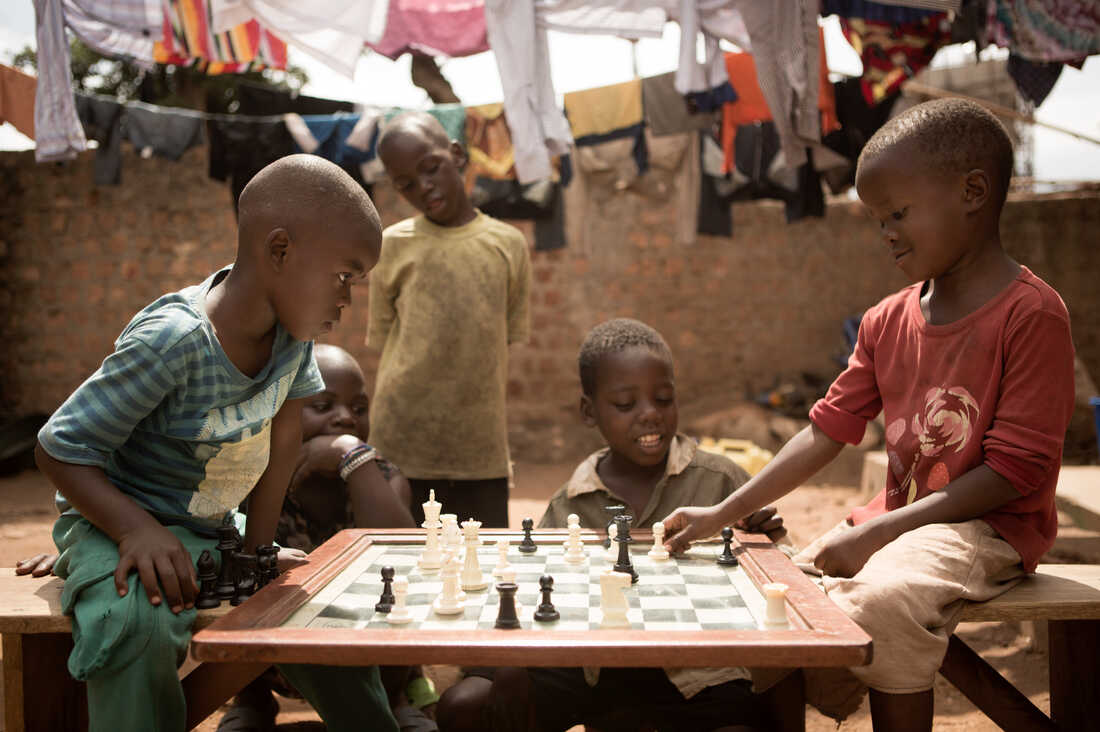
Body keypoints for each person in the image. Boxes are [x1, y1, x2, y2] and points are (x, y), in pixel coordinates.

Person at [662, 99, 1076, 731]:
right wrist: (724, 513)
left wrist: (878, 534)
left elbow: (1012, 473)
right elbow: (826, 430)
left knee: (882, 601)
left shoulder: (1031, 315)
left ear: (972, 192)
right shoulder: (886, 321)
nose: (886, 233)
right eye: (878, 219)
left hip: (990, 530)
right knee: (772, 595)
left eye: (898, 214)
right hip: (902, 525)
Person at [34, 154, 401, 732]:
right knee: (135, 620)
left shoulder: (292, 335)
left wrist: (256, 555)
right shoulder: (174, 341)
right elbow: (59, 448)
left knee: (323, 613)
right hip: (124, 521)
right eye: (344, 276)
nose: (346, 300)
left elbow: (284, 432)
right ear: (279, 250)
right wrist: (132, 530)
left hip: (210, 528)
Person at [436, 318, 789, 732]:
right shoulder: (571, 500)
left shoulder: (721, 481)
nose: (650, 416)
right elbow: (531, 590)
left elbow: (784, 583)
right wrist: (514, 661)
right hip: (589, 665)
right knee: (465, 706)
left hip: (691, 667)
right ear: (589, 411)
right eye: (625, 405)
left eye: (663, 399)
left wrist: (770, 543)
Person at [216, 343, 438, 732]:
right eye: (324, 406)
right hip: (269, 661)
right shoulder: (251, 479)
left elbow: (404, 557)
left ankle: (399, 697)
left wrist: (351, 456)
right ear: (280, 413)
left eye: (358, 408)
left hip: (375, 663)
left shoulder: (380, 476)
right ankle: (251, 701)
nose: (346, 419)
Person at [368, 111, 531, 528]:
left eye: (431, 168)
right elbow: (387, 340)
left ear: (456, 155)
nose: (423, 187)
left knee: (487, 569)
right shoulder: (390, 246)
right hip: (401, 443)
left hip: (480, 450)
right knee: (402, 570)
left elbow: (506, 337)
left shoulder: (508, 245)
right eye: (405, 184)